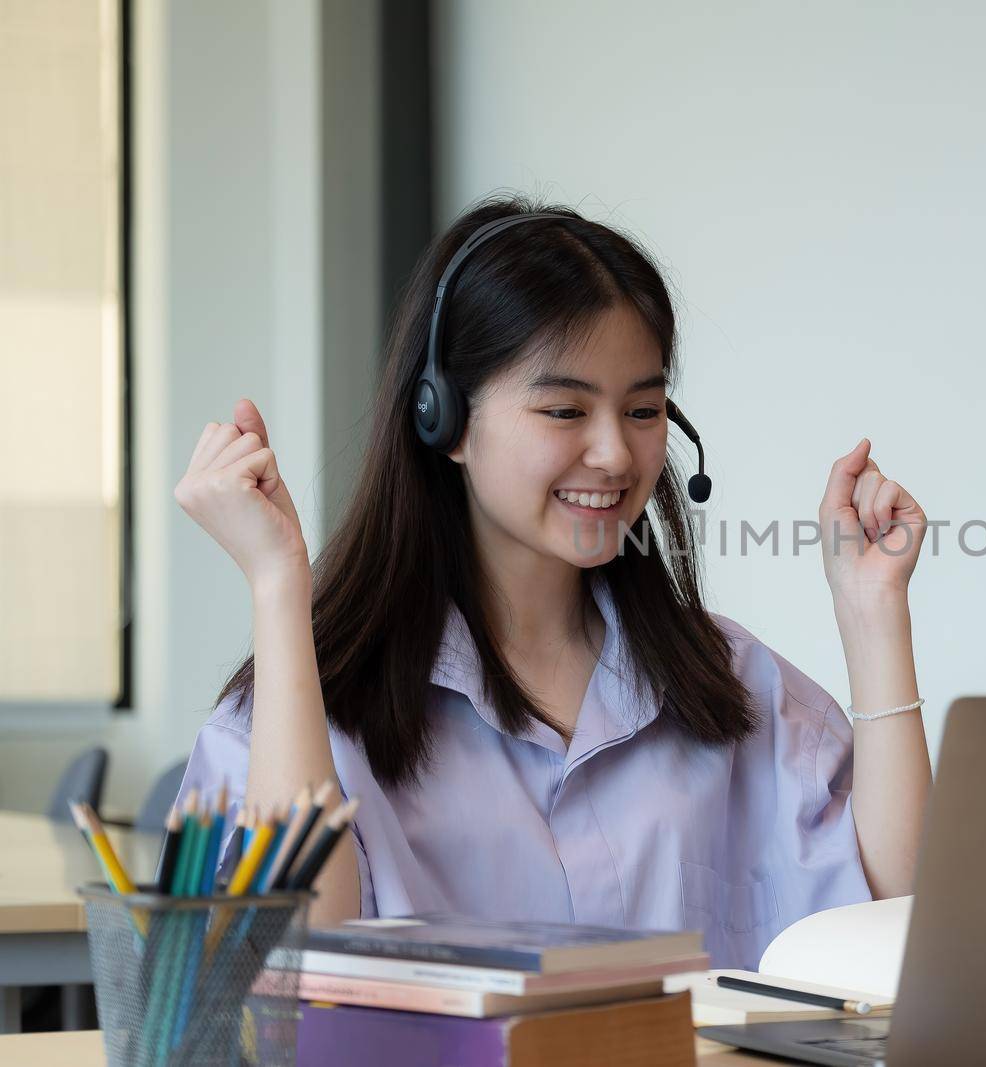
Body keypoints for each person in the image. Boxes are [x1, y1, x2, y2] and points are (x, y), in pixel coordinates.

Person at [171, 196, 932, 969]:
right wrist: (276, 586)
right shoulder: (307, 714)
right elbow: (284, 968)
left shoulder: (734, 685)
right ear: (446, 421)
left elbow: (899, 930)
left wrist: (874, 617)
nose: (615, 453)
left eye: (643, 408)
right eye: (566, 409)